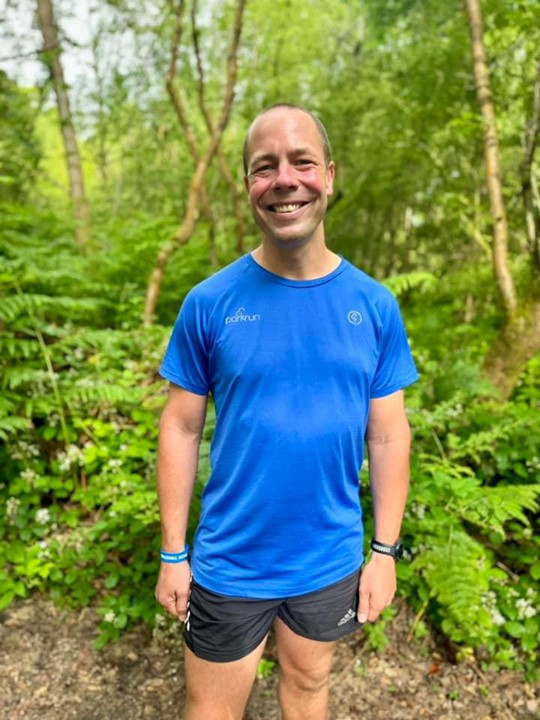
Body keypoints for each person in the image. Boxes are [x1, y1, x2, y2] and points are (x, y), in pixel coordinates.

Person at [155, 103, 419, 720]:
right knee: (213, 710)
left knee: (308, 687)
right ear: (249, 185)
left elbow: (387, 435)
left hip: (328, 558)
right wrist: (173, 552)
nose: (284, 180)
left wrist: (384, 552)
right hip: (230, 561)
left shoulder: (374, 306)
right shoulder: (209, 303)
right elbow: (180, 426)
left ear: (328, 174)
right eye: (263, 167)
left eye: (301, 162)